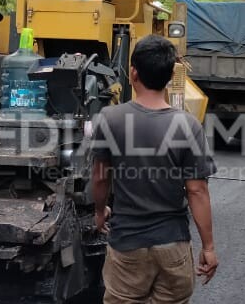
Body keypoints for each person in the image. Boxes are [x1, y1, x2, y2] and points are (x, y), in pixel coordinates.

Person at [91, 35, 218, 303]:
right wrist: (208, 247)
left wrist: (100, 212)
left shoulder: (110, 119)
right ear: (172, 75)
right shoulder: (188, 125)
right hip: (173, 245)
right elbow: (197, 191)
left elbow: (101, 178)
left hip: (127, 245)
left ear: (133, 72)